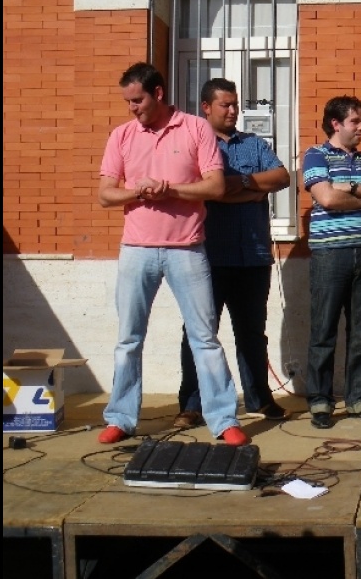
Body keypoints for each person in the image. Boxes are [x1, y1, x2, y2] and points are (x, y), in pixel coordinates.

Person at [95, 62, 248, 446]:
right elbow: (105, 194)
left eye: (138, 100)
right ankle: (121, 417)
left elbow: (214, 187)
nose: (132, 107)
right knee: (128, 338)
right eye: (128, 101)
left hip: (187, 249)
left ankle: (223, 419)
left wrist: (169, 189)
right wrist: (138, 192)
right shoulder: (122, 135)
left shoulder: (196, 128)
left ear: (158, 93)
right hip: (136, 250)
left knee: (204, 337)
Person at [173, 78, 292, 429]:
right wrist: (252, 189)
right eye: (224, 104)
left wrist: (240, 183)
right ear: (206, 107)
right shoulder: (196, 146)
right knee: (199, 332)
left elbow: (282, 176)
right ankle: (192, 405)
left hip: (253, 255)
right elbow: (207, 193)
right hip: (208, 256)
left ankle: (260, 398)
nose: (232, 110)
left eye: (235, 104)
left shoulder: (254, 145)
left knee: (252, 332)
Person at [302, 96, 361, 429]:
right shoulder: (315, 155)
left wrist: (351, 186)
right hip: (329, 254)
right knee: (324, 330)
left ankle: (359, 399)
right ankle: (320, 401)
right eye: (355, 121)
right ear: (336, 124)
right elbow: (325, 197)